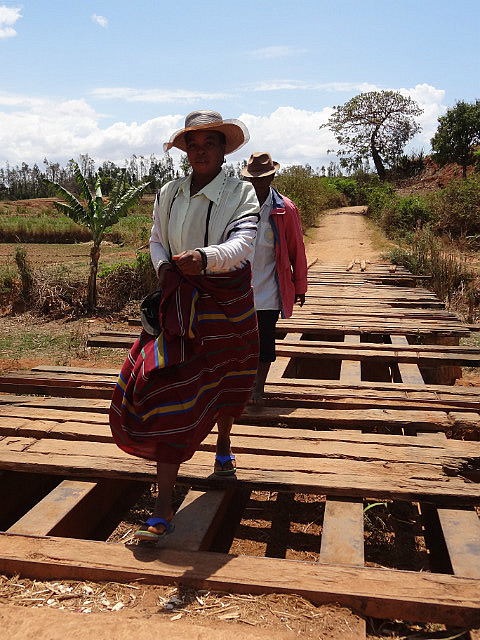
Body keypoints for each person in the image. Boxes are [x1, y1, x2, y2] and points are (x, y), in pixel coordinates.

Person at [109, 111, 260, 541]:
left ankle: (224, 445)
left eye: (208, 144)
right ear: (185, 152)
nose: (200, 152)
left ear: (223, 148)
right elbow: (158, 237)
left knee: (228, 378)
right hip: (178, 302)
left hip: (225, 303)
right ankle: (162, 507)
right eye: (192, 146)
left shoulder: (241, 192)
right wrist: (163, 266)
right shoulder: (170, 192)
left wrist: (206, 258)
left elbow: (244, 243)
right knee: (164, 386)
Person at [241, 152, 308, 405]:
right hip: (238, 289)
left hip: (269, 288)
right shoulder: (237, 205)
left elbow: (296, 249)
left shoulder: (285, 209)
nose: (258, 182)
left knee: (265, 342)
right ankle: (241, 388)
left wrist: (299, 285)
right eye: (254, 177)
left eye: (263, 177)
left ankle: (258, 390)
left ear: (272, 176)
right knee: (240, 342)